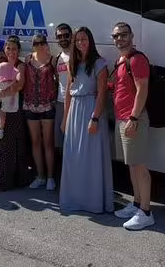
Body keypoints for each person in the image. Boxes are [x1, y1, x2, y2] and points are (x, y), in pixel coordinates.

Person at [59, 27, 113, 214]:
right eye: (78, 40)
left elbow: (101, 94)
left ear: (90, 40)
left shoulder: (99, 63)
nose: (81, 42)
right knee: (74, 157)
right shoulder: (72, 64)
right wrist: (65, 118)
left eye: (84, 39)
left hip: (91, 110)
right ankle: (75, 200)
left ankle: (93, 202)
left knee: (91, 158)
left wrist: (95, 118)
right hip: (74, 111)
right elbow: (67, 93)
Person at [110, 22, 155, 230]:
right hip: (122, 118)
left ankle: (146, 212)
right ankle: (137, 203)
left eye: (123, 35)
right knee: (131, 164)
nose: (119, 39)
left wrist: (134, 118)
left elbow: (142, 90)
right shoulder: (121, 60)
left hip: (132, 119)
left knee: (140, 166)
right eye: (116, 36)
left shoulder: (137, 59)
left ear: (131, 36)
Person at [0, 36, 32, 192]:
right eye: (8, 48)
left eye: (14, 48)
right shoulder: (1, 65)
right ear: (5, 50)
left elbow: (20, 84)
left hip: (15, 110)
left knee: (13, 144)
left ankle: (13, 179)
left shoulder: (21, 66)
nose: (11, 51)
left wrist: (0, 95)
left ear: (18, 50)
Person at [23, 34, 58, 191]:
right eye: (36, 43)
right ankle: (40, 176)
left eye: (42, 42)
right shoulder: (28, 59)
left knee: (48, 142)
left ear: (46, 43)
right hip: (30, 105)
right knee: (35, 142)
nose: (39, 45)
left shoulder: (52, 60)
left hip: (47, 106)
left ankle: (51, 177)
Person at [53, 23, 72, 149]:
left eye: (66, 35)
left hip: (74, 102)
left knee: (72, 138)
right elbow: (57, 79)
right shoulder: (58, 58)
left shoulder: (77, 56)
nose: (63, 38)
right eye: (60, 36)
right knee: (61, 139)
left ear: (72, 36)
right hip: (60, 102)